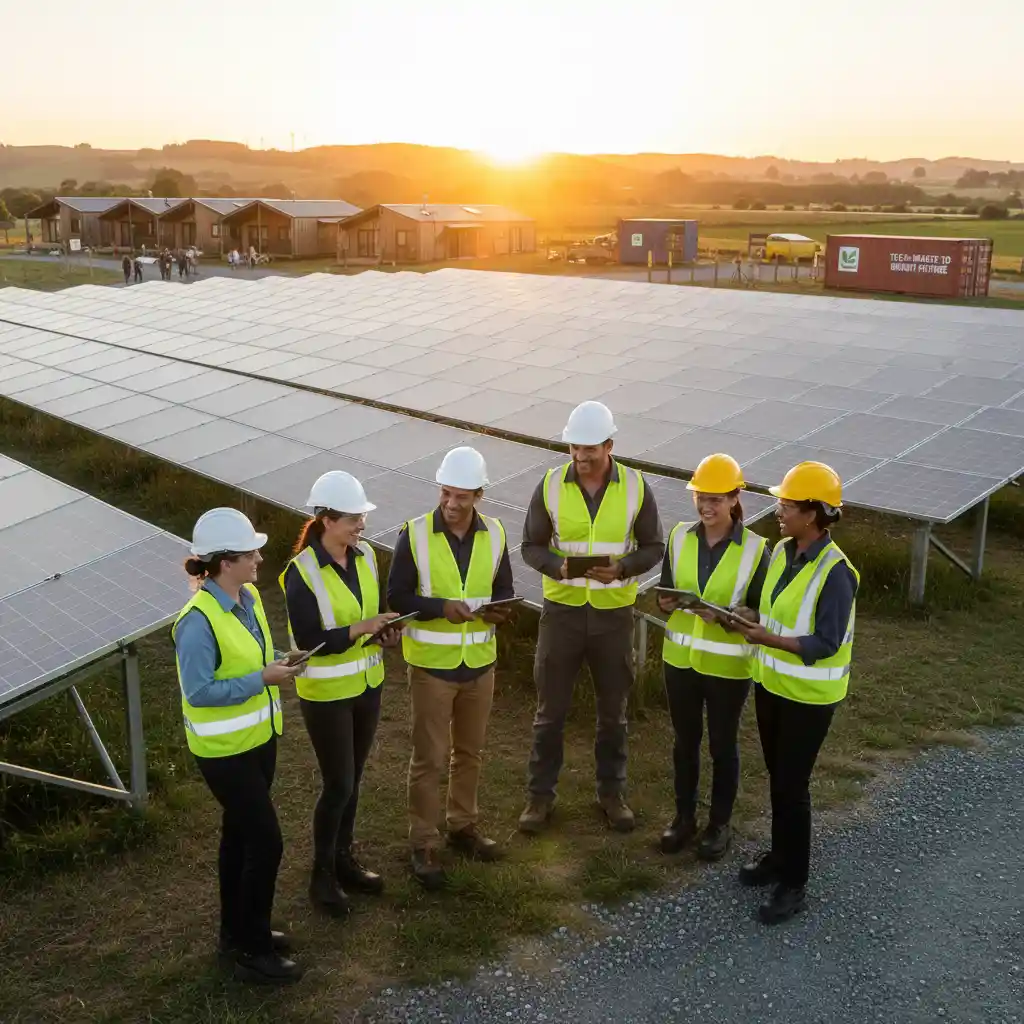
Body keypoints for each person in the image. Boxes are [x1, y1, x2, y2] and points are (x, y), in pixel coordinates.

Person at [171, 508, 305, 984]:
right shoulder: (196, 622)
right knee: (266, 842)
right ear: (226, 562)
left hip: (258, 741)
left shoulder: (247, 598)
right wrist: (261, 679)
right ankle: (253, 951)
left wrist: (280, 661)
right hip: (224, 753)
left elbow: (248, 658)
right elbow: (200, 691)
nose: (259, 558)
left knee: (240, 838)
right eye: (251, 553)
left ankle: (238, 933)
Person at [519, 401, 664, 834]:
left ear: (610, 445)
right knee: (550, 713)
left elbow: (653, 547)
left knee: (613, 713)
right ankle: (539, 798)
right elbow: (531, 546)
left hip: (613, 614)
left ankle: (611, 793)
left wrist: (622, 569)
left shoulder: (637, 487)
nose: (581, 458)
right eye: (574, 449)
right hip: (561, 612)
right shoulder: (549, 486)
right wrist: (556, 567)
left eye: (590, 450)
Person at [731, 462, 859, 925]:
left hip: (809, 698)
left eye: (787, 504)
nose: (779, 510)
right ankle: (780, 858)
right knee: (778, 779)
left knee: (792, 786)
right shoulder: (784, 552)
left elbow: (825, 642)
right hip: (772, 687)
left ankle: (794, 882)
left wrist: (766, 639)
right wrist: (742, 617)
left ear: (814, 514)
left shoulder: (837, 573)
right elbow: (773, 612)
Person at [387, 447, 514, 890]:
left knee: (471, 754)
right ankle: (423, 842)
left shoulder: (496, 533)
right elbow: (398, 598)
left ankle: (463, 826)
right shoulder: (415, 534)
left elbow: (504, 590)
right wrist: (441, 607)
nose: (452, 503)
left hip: (480, 663)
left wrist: (499, 612)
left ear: (479, 495)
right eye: (446, 493)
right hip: (431, 667)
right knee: (430, 758)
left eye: (461, 496)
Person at [280, 472, 403, 917]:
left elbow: (371, 614)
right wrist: (360, 628)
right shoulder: (300, 572)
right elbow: (310, 636)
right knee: (338, 784)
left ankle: (343, 858)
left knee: (355, 778)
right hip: (327, 694)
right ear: (327, 519)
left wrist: (383, 633)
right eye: (354, 518)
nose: (361, 526)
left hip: (367, 685)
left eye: (362, 518)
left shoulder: (367, 556)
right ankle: (322, 877)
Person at [656, 454, 768, 861]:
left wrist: (734, 617)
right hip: (680, 661)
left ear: (736, 497)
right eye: (701, 497)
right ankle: (683, 819)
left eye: (716, 499)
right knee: (685, 743)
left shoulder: (757, 549)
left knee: (723, 745)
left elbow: (760, 611)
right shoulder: (679, 537)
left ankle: (718, 825)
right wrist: (667, 603)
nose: (707, 506)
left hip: (727, 666)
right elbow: (667, 589)